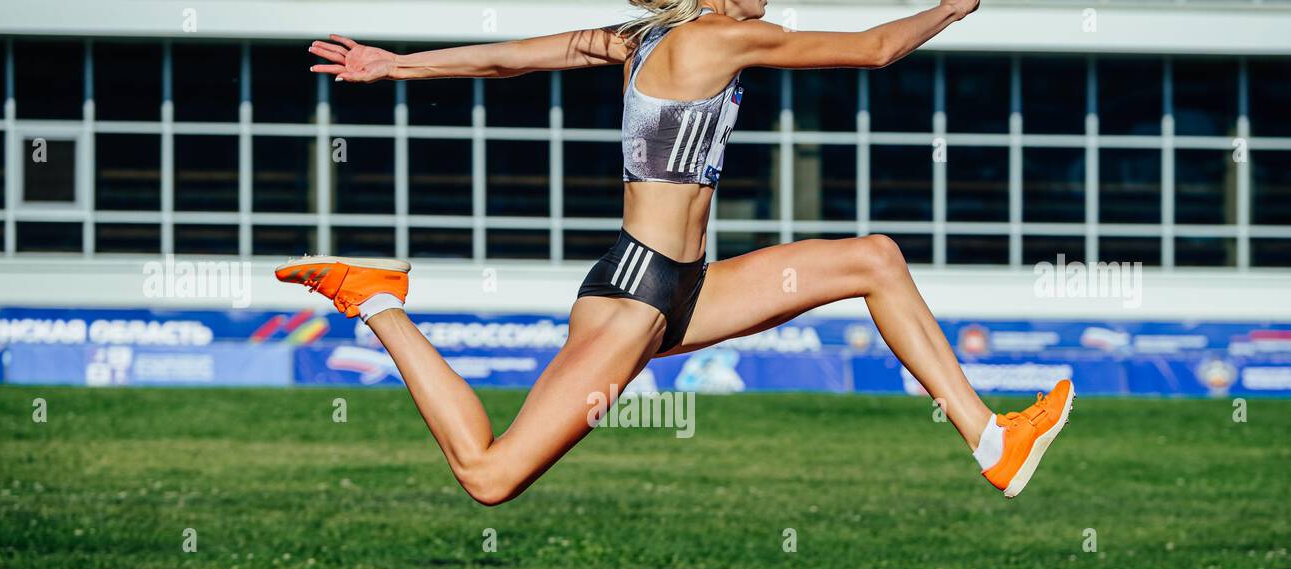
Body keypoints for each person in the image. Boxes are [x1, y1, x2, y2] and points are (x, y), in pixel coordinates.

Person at [278, 0, 1073, 506]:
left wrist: (396, 64)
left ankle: (992, 440)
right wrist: (953, 7)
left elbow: (510, 56)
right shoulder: (718, 37)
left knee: (875, 258)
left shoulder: (638, 38)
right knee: (489, 476)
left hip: (683, 285)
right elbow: (872, 49)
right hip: (635, 295)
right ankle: (376, 299)